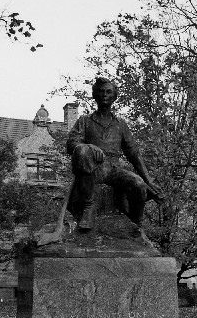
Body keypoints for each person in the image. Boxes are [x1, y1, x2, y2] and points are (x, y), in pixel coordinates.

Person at [66, 77, 163, 231]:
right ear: (95, 95)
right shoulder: (85, 121)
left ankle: (136, 226)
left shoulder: (120, 124)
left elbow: (133, 153)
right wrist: (89, 147)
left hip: (113, 169)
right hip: (93, 169)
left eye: (108, 92)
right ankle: (89, 206)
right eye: (101, 91)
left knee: (139, 184)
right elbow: (72, 144)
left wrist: (148, 180)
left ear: (114, 97)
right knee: (82, 151)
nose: (104, 94)